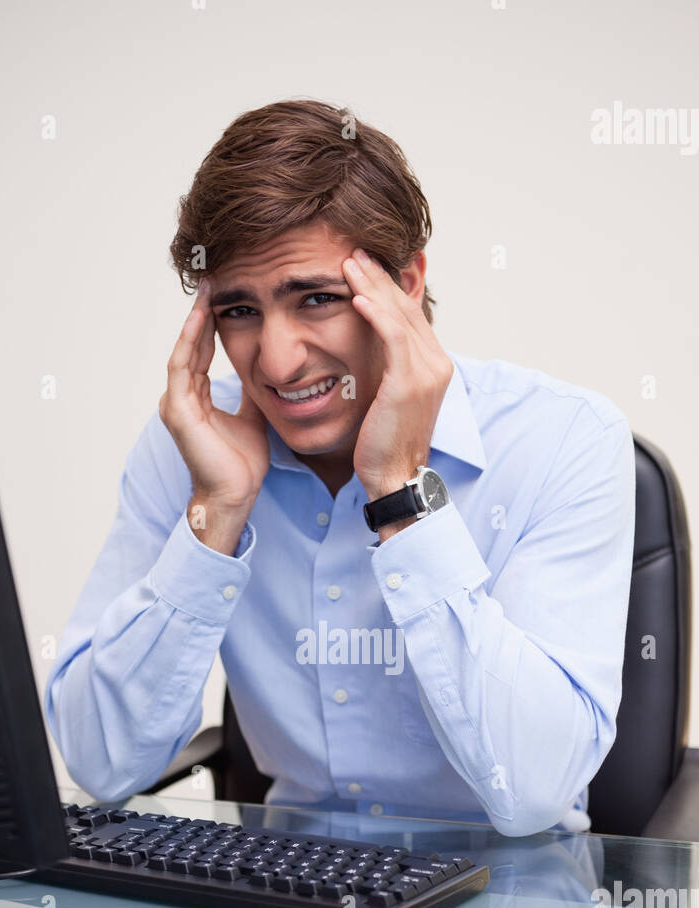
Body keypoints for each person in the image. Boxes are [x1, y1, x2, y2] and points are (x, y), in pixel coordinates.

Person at [45, 98, 635, 836]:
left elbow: (535, 791)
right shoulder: (191, 444)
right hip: (287, 886)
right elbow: (101, 765)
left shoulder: (562, 439)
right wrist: (215, 516)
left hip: (514, 888)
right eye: (239, 311)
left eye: (317, 299)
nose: (276, 361)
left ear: (406, 286)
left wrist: (400, 494)